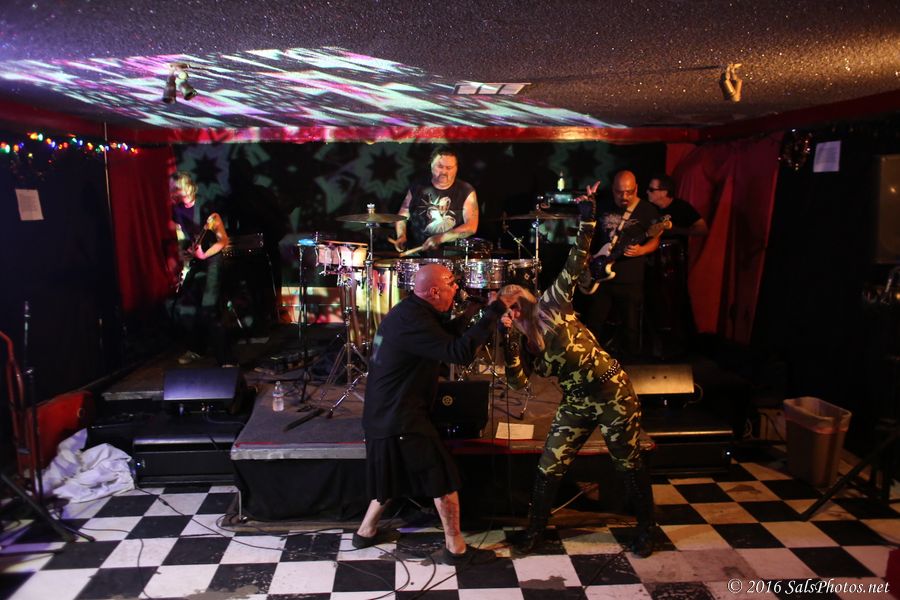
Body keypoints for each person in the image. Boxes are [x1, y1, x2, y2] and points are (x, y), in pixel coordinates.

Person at [498, 183, 658, 558]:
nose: (511, 314)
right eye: (506, 311)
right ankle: (535, 532)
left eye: (513, 306)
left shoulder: (551, 305)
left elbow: (576, 261)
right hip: (577, 401)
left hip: (611, 391)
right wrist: (508, 342)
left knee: (627, 462)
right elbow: (518, 383)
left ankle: (647, 529)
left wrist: (587, 220)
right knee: (549, 464)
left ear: (524, 301)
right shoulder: (523, 339)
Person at [354, 263, 510, 565]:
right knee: (442, 477)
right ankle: (456, 548)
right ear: (435, 291)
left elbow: (444, 337)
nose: (457, 287)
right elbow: (458, 353)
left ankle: (365, 532)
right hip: (400, 416)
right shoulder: (413, 320)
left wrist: (471, 312)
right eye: (451, 283)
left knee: (392, 474)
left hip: (385, 414)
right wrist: (493, 313)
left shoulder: (412, 312)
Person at [580, 170, 661, 360]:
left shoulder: (647, 210)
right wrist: (588, 255)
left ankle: (631, 367)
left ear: (636, 189)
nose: (624, 196)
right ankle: (590, 363)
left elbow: (656, 239)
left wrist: (642, 250)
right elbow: (592, 234)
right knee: (593, 323)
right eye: (619, 192)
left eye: (629, 192)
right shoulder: (603, 206)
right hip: (599, 277)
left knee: (630, 326)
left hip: (630, 277)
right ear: (613, 190)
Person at [169, 171, 232, 365]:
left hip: (212, 258)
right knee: (187, 305)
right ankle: (196, 349)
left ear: (185, 187)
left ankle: (227, 359)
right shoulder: (177, 210)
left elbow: (223, 241)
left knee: (209, 307)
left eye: (174, 188)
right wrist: (183, 252)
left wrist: (204, 254)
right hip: (197, 260)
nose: (171, 191)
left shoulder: (207, 208)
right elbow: (181, 235)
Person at [645, 174, 708, 358]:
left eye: (652, 189)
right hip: (649, 263)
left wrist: (675, 230)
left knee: (675, 301)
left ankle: (682, 344)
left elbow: (702, 229)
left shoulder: (681, 207)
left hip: (673, 264)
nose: (647, 192)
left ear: (664, 192)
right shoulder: (647, 209)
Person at [226, 157, 290, 325]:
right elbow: (280, 217)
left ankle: (263, 317)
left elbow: (232, 228)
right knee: (271, 282)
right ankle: (275, 314)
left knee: (255, 284)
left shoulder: (234, 198)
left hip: (252, 250)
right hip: (266, 245)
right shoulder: (262, 192)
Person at [391, 146, 478, 256]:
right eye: (440, 166)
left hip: (452, 256)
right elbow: (402, 216)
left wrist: (440, 238)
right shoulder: (418, 187)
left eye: (449, 168)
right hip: (418, 256)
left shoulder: (465, 190)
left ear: (456, 168)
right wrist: (401, 236)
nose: (444, 172)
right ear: (431, 165)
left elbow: (471, 226)